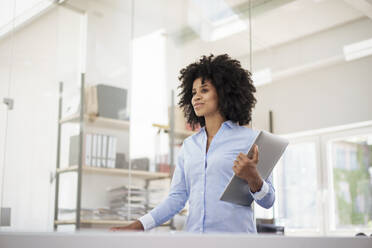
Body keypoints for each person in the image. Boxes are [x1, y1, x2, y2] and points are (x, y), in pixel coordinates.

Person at [110, 54, 275, 233]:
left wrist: (254, 178)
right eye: (194, 92)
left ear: (223, 92)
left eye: (204, 90)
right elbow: (176, 198)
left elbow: (268, 201)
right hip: (194, 239)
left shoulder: (251, 140)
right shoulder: (189, 146)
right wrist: (139, 225)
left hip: (235, 241)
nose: (196, 97)